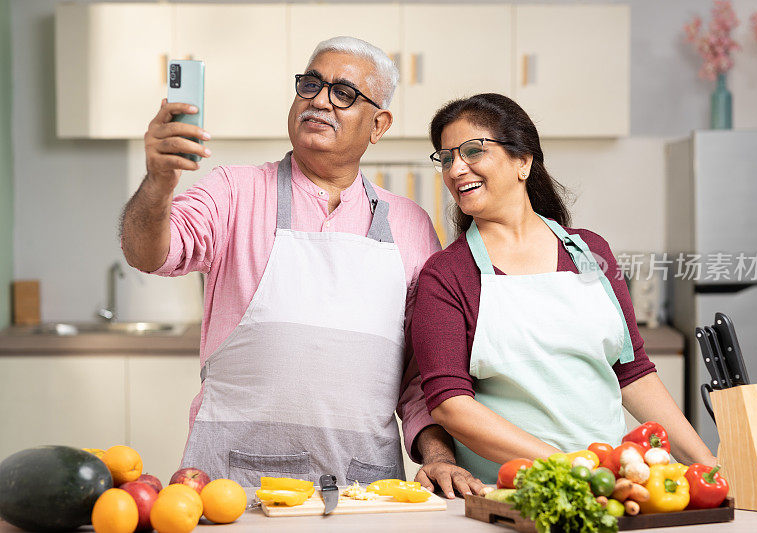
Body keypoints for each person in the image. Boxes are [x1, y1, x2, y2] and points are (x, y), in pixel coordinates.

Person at [120, 36, 483, 497]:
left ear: (379, 125)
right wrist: (158, 181)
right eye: (310, 84)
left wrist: (438, 457)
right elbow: (149, 253)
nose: (319, 100)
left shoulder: (410, 224)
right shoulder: (235, 191)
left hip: (363, 488)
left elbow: (417, 376)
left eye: (343, 93)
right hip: (231, 489)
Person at [411, 93, 716, 482]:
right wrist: (571, 466)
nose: (456, 169)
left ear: (523, 160)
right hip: (511, 492)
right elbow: (450, 405)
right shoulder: (447, 275)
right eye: (447, 158)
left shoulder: (590, 252)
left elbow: (632, 372)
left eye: (473, 151)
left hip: (609, 483)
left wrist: (705, 462)